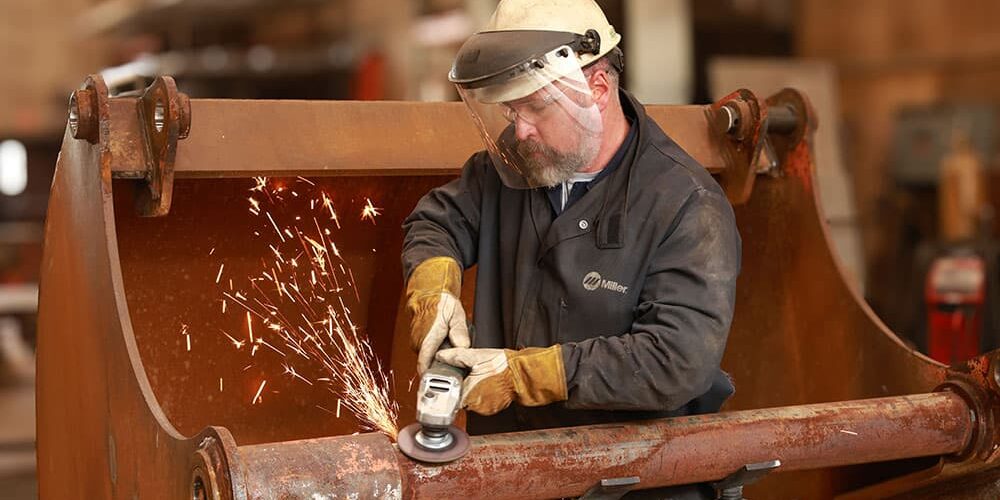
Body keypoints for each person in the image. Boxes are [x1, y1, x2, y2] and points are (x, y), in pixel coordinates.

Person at [402, 0, 740, 496]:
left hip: (632, 482)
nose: (520, 130)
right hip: (512, 478)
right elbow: (438, 219)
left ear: (597, 89)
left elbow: (676, 359)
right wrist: (435, 291)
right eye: (511, 110)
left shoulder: (686, 204)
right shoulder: (512, 165)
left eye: (535, 107)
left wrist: (525, 376)